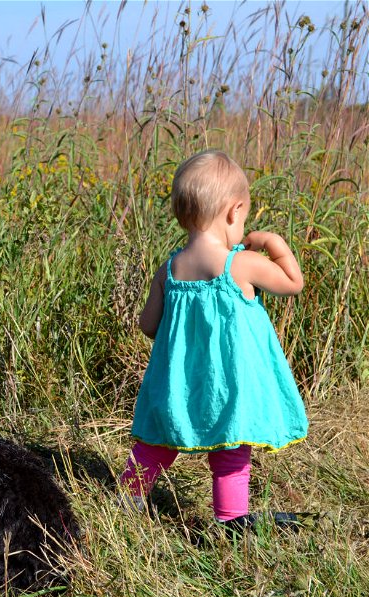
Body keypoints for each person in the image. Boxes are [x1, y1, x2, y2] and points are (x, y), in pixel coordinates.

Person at [119, 150, 308, 531]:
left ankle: (128, 500)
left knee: (156, 442)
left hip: (180, 386)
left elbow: (148, 325)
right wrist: (275, 243)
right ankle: (230, 520)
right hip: (229, 388)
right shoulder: (242, 265)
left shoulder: (169, 270)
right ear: (233, 212)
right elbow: (293, 283)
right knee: (232, 449)